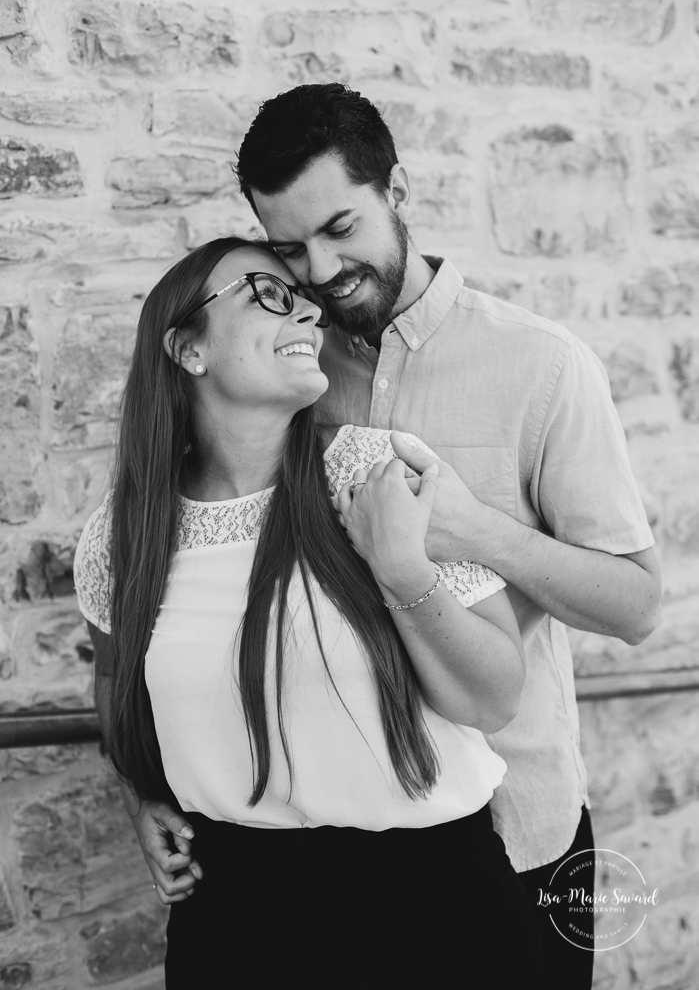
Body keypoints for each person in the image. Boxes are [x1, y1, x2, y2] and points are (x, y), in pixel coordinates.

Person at [127, 85, 661, 987]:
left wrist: (475, 530)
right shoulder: (286, 359)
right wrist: (146, 786)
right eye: (291, 249)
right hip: (320, 866)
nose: (322, 271)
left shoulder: (541, 364)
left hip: (518, 831)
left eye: (342, 228)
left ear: (397, 191)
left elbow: (637, 605)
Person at [74, 236, 544, 986]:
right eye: (267, 291)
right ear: (187, 349)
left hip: (436, 908)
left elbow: (491, 696)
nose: (303, 307)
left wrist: (399, 568)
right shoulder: (122, 533)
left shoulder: (374, 467)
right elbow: (118, 686)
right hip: (235, 917)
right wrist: (142, 796)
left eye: (302, 298)